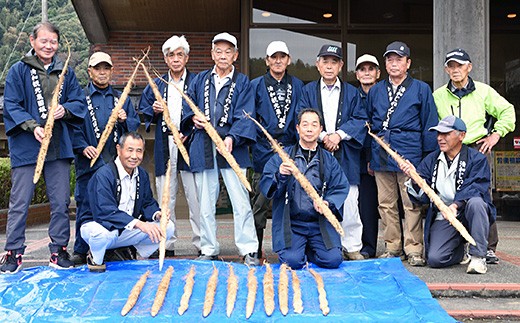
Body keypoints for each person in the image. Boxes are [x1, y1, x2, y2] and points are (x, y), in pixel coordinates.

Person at [1, 22, 85, 274]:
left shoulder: (66, 72)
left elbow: (78, 101)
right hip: (28, 146)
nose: (49, 46)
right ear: (32, 41)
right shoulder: (18, 70)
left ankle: (58, 250)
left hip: (58, 146)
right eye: (44, 41)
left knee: (60, 202)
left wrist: (65, 109)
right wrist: (31, 126)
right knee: (20, 201)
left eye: (53, 42)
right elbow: (11, 104)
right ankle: (13, 252)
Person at [180, 32, 259, 265]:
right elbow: (188, 105)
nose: (223, 56)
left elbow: (246, 114)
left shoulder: (243, 81)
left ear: (235, 55)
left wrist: (233, 137)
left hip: (233, 148)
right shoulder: (200, 80)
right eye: (219, 51)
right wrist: (192, 119)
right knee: (205, 201)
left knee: (240, 199)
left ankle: (248, 248)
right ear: (212, 53)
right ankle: (208, 248)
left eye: (228, 51)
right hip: (204, 145)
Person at [433, 48, 516, 265]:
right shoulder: (439, 95)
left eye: (460, 65)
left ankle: (487, 247)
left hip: (476, 150)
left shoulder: (483, 91)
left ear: (469, 67)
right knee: (453, 197)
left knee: (481, 198)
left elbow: (507, 111)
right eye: (451, 66)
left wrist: (496, 135)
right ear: (446, 69)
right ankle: (457, 243)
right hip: (450, 151)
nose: (455, 70)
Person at [367, 41, 439, 266]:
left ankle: (414, 248)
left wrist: (427, 159)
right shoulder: (376, 89)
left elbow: (429, 123)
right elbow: (369, 124)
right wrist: (371, 156)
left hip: (410, 151)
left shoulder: (421, 89)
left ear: (408, 63)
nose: (394, 63)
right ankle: (392, 246)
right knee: (386, 203)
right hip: (381, 151)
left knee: (411, 202)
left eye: (399, 59)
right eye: (390, 59)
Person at [399, 116, 495, 274]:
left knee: (476, 203)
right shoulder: (431, 159)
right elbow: (421, 196)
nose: (440, 138)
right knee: (436, 259)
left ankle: (478, 257)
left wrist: (456, 205)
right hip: (444, 215)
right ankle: (460, 249)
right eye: (438, 134)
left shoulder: (476, 158)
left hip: (466, 211)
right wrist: (414, 177)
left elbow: (476, 187)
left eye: (446, 134)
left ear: (461, 136)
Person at [298, 44, 367, 261]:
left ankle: (352, 245)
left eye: (334, 62)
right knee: (317, 198)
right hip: (316, 151)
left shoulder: (353, 93)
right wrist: (323, 136)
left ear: (341, 66)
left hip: (345, 151)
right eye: (325, 62)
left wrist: (338, 135)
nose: (329, 66)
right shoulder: (307, 91)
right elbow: (300, 118)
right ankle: (324, 244)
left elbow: (360, 119)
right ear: (318, 65)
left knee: (349, 199)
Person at [71, 52, 140, 264]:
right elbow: (72, 127)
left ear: (111, 71)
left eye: (106, 68)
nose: (102, 72)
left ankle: (116, 247)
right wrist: (83, 147)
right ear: (89, 71)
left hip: (114, 165)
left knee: (117, 205)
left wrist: (125, 120)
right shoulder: (79, 98)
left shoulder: (122, 98)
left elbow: (134, 130)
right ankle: (81, 250)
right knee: (85, 205)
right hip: (89, 163)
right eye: (97, 68)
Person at [259, 108, 350, 269]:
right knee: (291, 262)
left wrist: (327, 203)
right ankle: (298, 249)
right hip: (292, 223)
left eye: (314, 125)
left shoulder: (328, 160)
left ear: (320, 129)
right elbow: (266, 184)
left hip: (319, 223)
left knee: (333, 260)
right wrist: (280, 174)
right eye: (305, 124)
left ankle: (307, 250)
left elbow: (341, 186)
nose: (309, 129)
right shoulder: (283, 156)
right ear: (297, 128)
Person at [139, 35, 201, 257]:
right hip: (164, 144)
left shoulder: (197, 82)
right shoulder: (157, 84)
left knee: (195, 196)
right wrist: (154, 110)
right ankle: (168, 242)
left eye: (180, 54)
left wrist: (189, 131)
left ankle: (201, 243)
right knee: (167, 196)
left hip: (190, 143)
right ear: (165, 59)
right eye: (171, 55)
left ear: (186, 57)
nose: (176, 59)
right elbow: (144, 110)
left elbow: (202, 112)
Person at [78, 132, 174, 272]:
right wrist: (140, 224)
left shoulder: (142, 174)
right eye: (130, 150)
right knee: (101, 234)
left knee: (168, 227)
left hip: (125, 231)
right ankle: (96, 259)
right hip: (100, 228)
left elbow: (147, 203)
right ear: (119, 149)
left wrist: (158, 214)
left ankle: (137, 256)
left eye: (139, 151)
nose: (134, 156)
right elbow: (105, 211)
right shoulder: (103, 174)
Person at [250, 41, 304, 258]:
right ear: (267, 60)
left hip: (290, 149)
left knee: (291, 200)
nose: (278, 61)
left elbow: (302, 116)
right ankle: (256, 247)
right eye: (274, 57)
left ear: (288, 60)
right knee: (260, 201)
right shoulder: (255, 85)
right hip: (264, 151)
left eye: (282, 57)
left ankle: (292, 246)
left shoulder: (298, 85)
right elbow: (250, 119)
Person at [355, 54, 381, 259]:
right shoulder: (352, 96)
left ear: (378, 73)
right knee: (361, 205)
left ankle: (375, 247)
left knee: (384, 206)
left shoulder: (384, 95)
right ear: (356, 74)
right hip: (355, 156)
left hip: (379, 157)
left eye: (370, 69)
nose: (366, 73)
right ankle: (361, 246)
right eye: (362, 69)